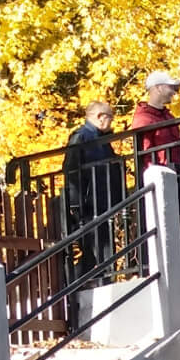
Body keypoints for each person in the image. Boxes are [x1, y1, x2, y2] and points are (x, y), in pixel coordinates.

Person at [61, 101, 119, 298]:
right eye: (110, 117)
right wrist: (76, 203)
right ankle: (96, 283)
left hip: (101, 200)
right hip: (88, 203)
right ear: (100, 117)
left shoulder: (101, 140)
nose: (112, 121)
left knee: (96, 246)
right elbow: (71, 171)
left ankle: (81, 284)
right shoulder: (81, 137)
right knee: (97, 245)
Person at [130, 70, 180, 167]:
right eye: (170, 87)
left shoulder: (169, 117)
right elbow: (144, 154)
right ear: (158, 88)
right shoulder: (144, 119)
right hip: (159, 173)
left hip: (176, 171)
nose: (173, 92)